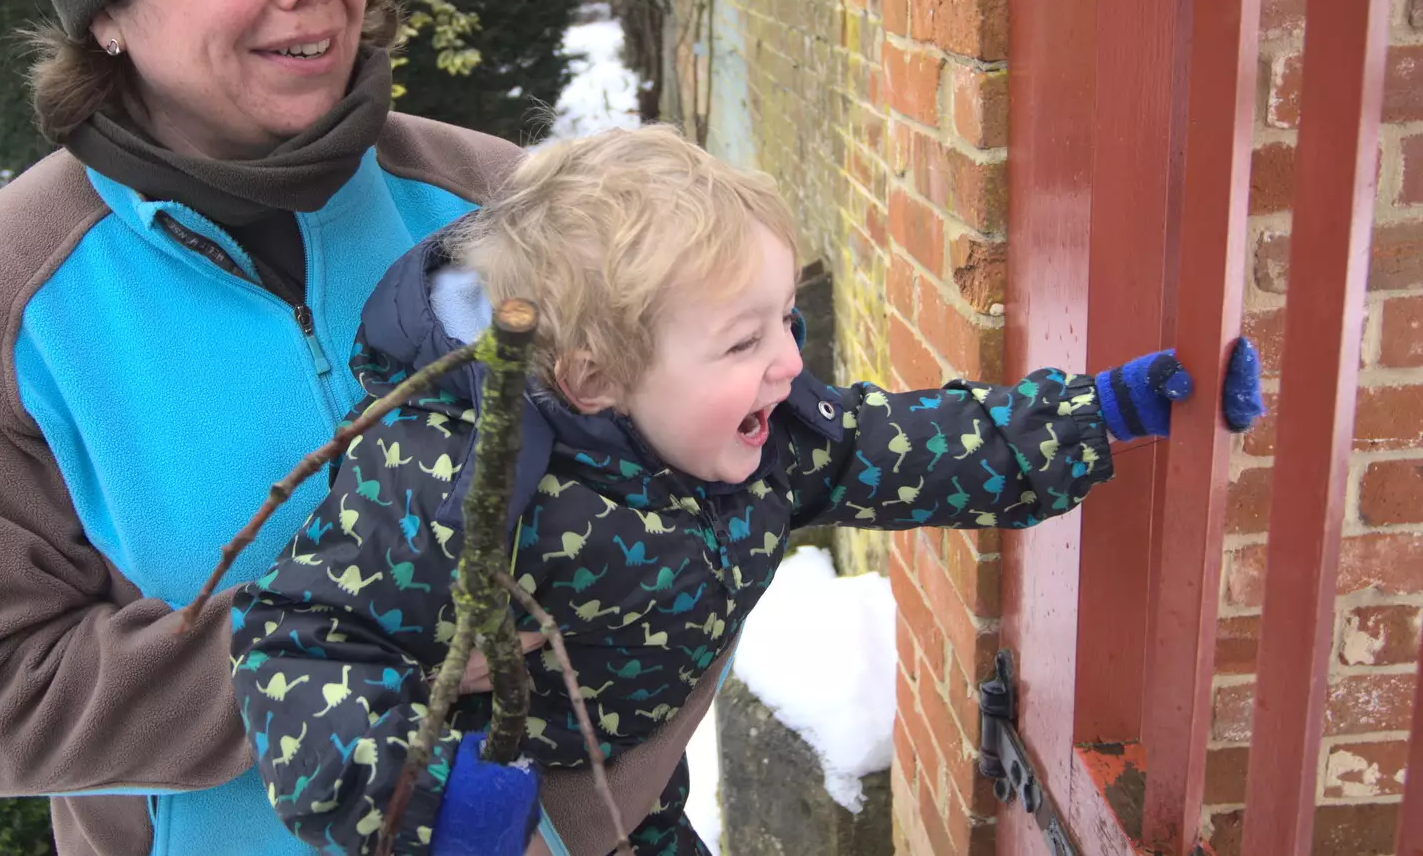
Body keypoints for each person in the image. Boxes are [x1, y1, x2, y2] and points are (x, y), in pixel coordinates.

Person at [231, 126, 1264, 855]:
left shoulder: (761, 434)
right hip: (517, 818)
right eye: (743, 336)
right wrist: (434, 809)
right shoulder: (451, 475)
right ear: (593, 376)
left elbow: (913, 443)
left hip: (643, 811)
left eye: (782, 317)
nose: (787, 360)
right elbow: (298, 638)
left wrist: (1100, 412)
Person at [0, 0, 549, 854]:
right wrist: (340, 638)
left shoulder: (512, 208)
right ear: (105, 6)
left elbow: (707, 508)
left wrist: (610, 812)